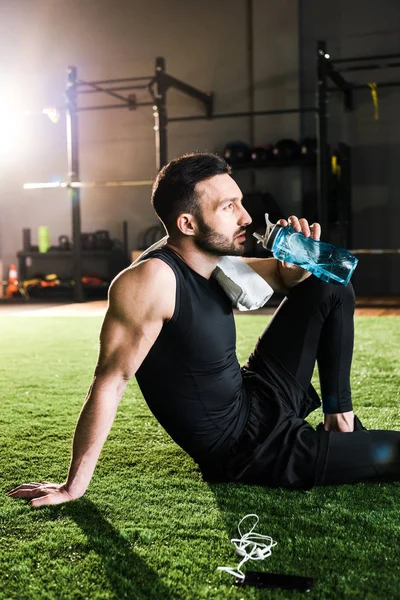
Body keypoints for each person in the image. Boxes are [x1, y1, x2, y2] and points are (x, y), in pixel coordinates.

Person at [8, 152, 400, 506]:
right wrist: (72, 485)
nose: (246, 217)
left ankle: (339, 420)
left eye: (240, 203)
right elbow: (109, 382)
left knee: (328, 278)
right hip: (248, 449)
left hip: (257, 393)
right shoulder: (151, 282)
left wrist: (295, 270)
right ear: (188, 223)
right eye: (229, 207)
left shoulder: (208, 256)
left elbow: (292, 283)